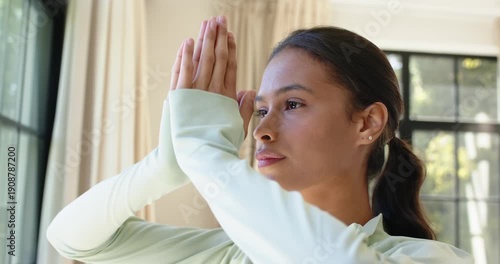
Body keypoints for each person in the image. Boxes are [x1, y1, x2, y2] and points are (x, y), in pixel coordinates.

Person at [47, 16, 474, 263]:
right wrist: (166, 164)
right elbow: (72, 237)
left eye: (292, 105)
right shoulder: (230, 252)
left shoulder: (426, 259)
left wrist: (206, 156)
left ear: (367, 123)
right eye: (261, 109)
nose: (261, 131)